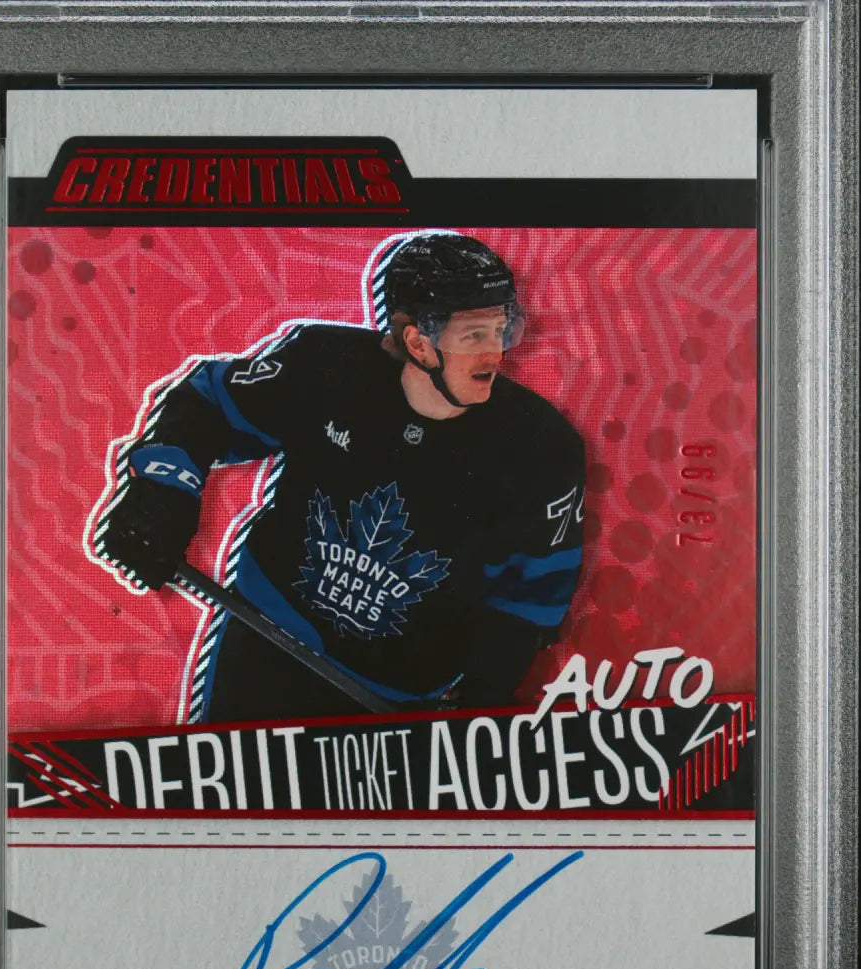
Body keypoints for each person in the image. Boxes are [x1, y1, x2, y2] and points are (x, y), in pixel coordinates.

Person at [96, 233, 586, 719]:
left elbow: (536, 589)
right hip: (265, 648)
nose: (495, 353)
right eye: (473, 335)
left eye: (502, 329)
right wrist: (163, 494)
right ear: (417, 340)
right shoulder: (327, 366)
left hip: (395, 698)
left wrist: (488, 691)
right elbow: (207, 402)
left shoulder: (541, 448)